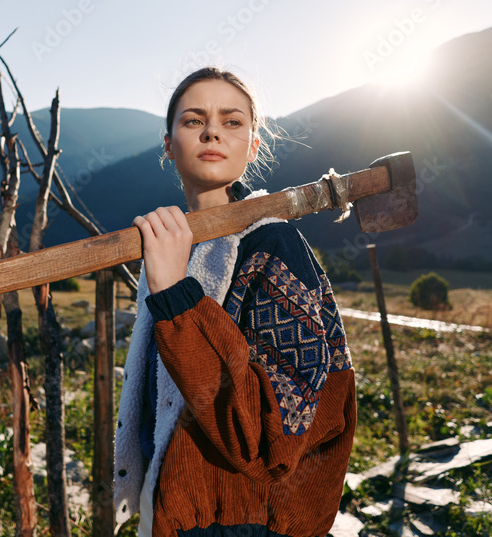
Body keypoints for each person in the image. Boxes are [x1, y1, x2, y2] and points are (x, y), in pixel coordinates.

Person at [114, 68, 357, 537]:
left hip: (247, 520)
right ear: (168, 144)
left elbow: (270, 440)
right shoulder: (174, 248)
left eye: (231, 121)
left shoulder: (273, 247)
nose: (211, 131)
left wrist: (176, 300)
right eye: (192, 121)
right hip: (182, 508)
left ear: (254, 144)